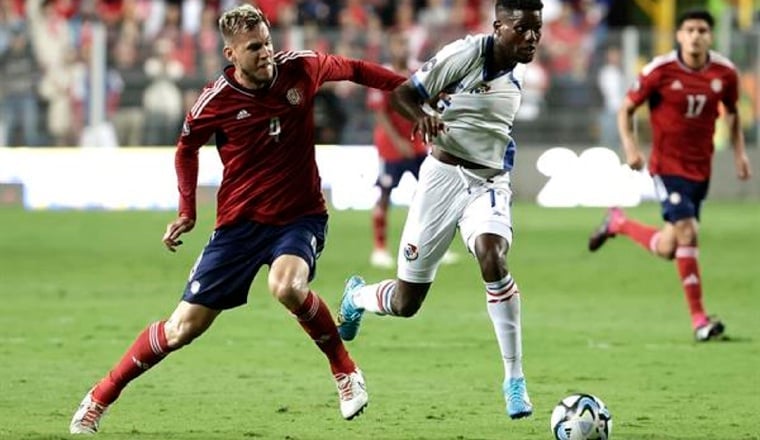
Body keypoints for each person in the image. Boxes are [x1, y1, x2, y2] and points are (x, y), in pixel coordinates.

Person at [69, 4, 406, 434]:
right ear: (231, 54)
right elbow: (186, 148)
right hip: (238, 226)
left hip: (299, 217)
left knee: (286, 286)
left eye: (267, 42)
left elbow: (357, 69)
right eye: (253, 48)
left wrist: (412, 87)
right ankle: (100, 396)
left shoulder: (301, 68)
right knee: (180, 329)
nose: (265, 52)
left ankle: (345, 372)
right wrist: (187, 210)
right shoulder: (216, 101)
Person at [337, 0, 543, 420]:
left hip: (487, 182)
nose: (532, 38)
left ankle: (514, 379)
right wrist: (425, 114)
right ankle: (357, 296)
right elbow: (402, 96)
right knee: (406, 301)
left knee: (492, 256)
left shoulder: (521, 69)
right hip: (441, 180)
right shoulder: (464, 54)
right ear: (498, 26)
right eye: (522, 29)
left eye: (536, 30)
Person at [587, 9, 752, 341]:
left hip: (699, 169)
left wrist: (739, 153)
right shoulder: (660, 70)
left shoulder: (724, 72)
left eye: (702, 30)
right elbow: (627, 108)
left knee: (669, 246)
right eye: (689, 29)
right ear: (679, 35)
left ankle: (618, 223)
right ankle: (700, 320)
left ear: (710, 35)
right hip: (667, 167)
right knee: (688, 233)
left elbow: (733, 113)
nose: (695, 36)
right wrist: (632, 149)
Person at [366, 29, 431, 269]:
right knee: (384, 195)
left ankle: (432, 247)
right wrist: (398, 142)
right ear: (390, 47)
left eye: (405, 43)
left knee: (430, 195)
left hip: (418, 145)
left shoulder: (418, 72)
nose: (402, 48)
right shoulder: (381, 74)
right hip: (391, 148)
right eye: (398, 44)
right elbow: (380, 114)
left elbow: (427, 104)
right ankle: (379, 248)